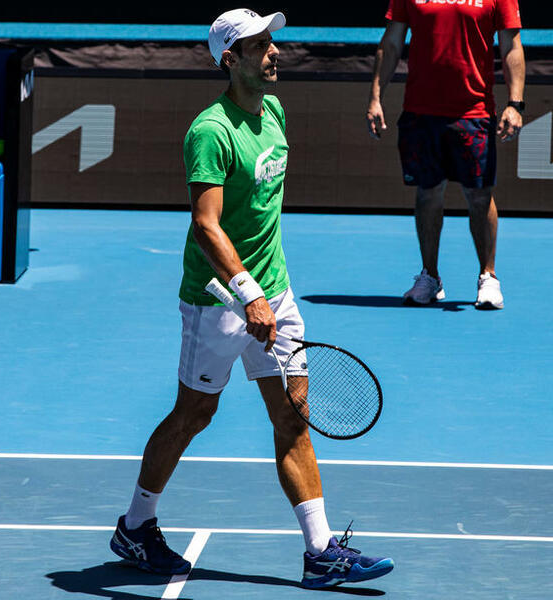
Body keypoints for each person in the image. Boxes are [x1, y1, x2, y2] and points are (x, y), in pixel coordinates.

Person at [110, 8, 394, 590]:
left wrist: (268, 295)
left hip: (276, 292)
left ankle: (320, 551)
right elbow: (206, 224)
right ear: (229, 59)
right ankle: (135, 527)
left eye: (271, 42)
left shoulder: (274, 111)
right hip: (217, 301)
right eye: (259, 45)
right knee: (194, 413)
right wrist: (247, 294)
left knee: (293, 414)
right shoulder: (210, 132)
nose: (273, 52)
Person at [367, 0, 525, 309]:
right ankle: (430, 277)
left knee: (479, 195)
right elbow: (392, 41)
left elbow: (511, 45)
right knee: (428, 192)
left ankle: (488, 276)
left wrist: (515, 103)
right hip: (421, 112)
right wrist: (375, 97)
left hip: (475, 113)